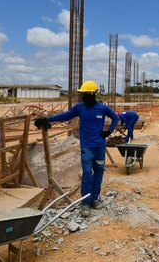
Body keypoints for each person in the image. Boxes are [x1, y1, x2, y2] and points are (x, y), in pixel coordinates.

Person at [34, 80, 119, 216]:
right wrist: (47, 119)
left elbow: (115, 118)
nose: (82, 97)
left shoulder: (102, 108)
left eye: (84, 94)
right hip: (86, 147)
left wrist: (109, 132)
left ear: (92, 94)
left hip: (100, 147)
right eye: (82, 94)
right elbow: (65, 115)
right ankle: (85, 202)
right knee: (86, 174)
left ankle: (95, 198)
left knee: (99, 172)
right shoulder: (80, 107)